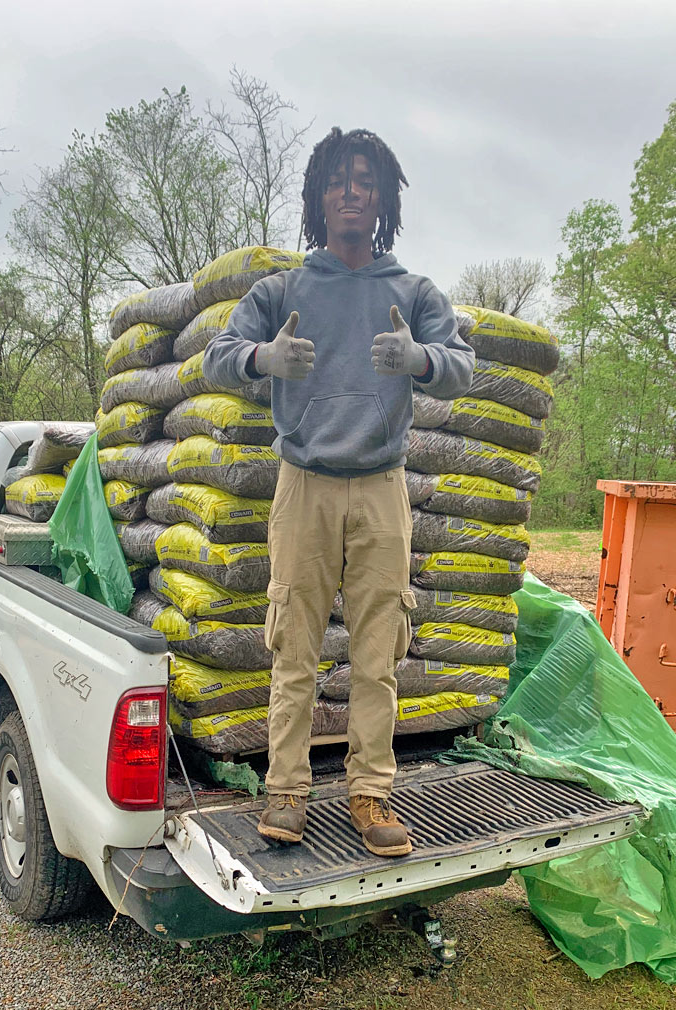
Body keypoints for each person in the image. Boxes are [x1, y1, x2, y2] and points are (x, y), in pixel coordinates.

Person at [203, 127, 474, 857]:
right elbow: (215, 359)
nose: (351, 191)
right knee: (294, 642)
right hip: (304, 487)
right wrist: (263, 356)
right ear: (318, 198)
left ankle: (371, 793)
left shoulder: (412, 292)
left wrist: (420, 359)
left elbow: (461, 367)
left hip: (383, 489)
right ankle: (287, 791)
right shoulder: (284, 289)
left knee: (377, 651)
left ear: (382, 197)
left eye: (363, 181)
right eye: (338, 181)